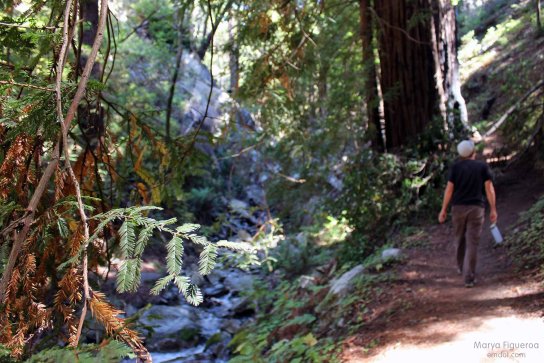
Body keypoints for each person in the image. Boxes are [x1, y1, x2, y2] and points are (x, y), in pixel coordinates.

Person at [438, 140, 498, 288]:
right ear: (473, 152)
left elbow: (449, 190)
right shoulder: (482, 167)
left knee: (459, 238)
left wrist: (443, 209)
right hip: (476, 208)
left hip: (458, 208)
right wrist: (493, 208)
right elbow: (489, 189)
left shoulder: (455, 168)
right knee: (472, 243)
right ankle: (469, 277)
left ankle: (461, 267)